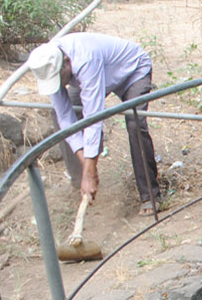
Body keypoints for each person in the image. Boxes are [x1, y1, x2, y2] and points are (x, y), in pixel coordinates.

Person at [26, 33, 160, 215]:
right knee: (58, 115)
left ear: (66, 62)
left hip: (132, 70)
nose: (57, 84)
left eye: (59, 78)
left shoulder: (85, 59)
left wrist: (91, 169)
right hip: (101, 75)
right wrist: (88, 168)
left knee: (134, 122)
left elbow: (94, 118)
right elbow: (65, 117)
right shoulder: (49, 64)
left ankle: (149, 196)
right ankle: (80, 181)